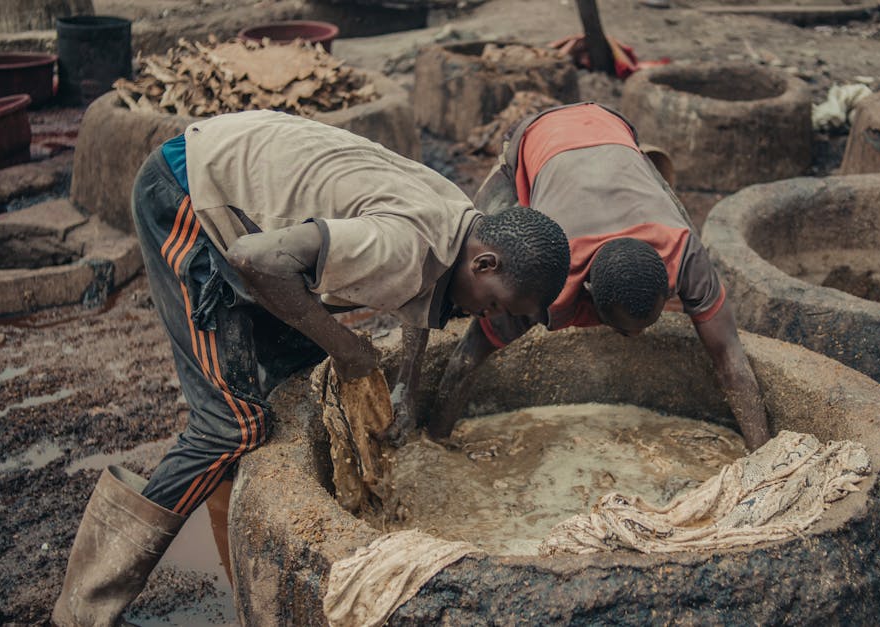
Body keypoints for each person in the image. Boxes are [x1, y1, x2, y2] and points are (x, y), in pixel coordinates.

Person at [52, 110, 570, 626]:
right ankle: (82, 608)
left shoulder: (461, 219)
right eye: (499, 305)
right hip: (188, 194)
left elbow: (400, 284)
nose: (491, 318)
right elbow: (256, 259)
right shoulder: (402, 247)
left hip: (246, 183)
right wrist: (346, 348)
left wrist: (385, 376)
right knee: (231, 425)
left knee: (301, 391)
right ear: (484, 265)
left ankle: (231, 522)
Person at [414, 102, 770, 451]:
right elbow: (468, 357)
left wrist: (763, 456)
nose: (633, 338)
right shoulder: (544, 282)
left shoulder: (685, 253)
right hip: (538, 136)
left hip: (611, 128)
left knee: (673, 211)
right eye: (621, 328)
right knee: (475, 255)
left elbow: (730, 359)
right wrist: (435, 440)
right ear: (587, 292)